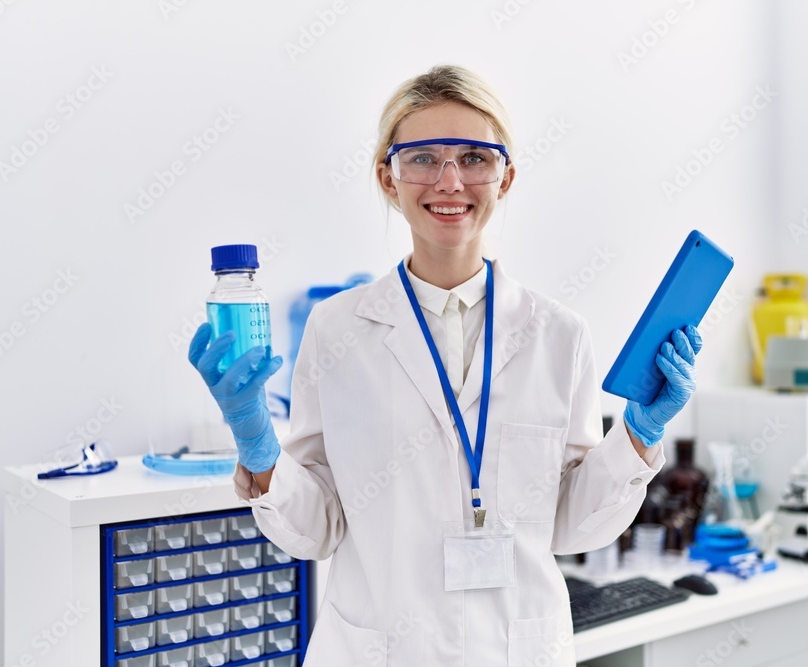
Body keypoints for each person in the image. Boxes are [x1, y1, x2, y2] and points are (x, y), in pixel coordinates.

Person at [188, 64, 702, 667]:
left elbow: (573, 526)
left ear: (506, 175)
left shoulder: (559, 336)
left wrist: (639, 435)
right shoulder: (336, 328)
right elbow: (318, 527)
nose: (450, 180)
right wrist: (256, 444)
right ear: (389, 177)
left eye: (474, 158)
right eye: (423, 158)